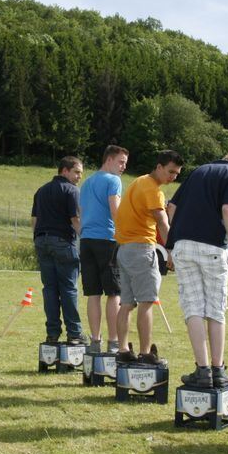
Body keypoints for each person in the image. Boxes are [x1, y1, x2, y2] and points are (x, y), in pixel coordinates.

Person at [167, 151, 228, 389]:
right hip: (213, 247)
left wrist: (171, 245)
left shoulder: (198, 171)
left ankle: (202, 369)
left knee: (193, 308)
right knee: (215, 309)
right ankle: (218, 370)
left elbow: (172, 208)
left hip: (183, 246)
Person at [113, 150, 184, 365]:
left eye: (177, 174)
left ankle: (123, 349)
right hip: (142, 250)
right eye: (170, 171)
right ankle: (145, 353)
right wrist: (172, 251)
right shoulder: (154, 190)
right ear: (159, 167)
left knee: (126, 303)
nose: (173, 177)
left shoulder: (138, 181)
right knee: (146, 303)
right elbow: (163, 223)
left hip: (123, 250)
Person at [31, 156, 87, 344]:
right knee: (69, 288)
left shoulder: (41, 190)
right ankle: (74, 333)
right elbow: (75, 220)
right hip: (63, 241)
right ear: (64, 170)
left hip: (41, 240)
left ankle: (52, 333)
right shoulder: (72, 191)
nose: (79, 176)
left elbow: (34, 221)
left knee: (50, 289)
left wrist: (39, 240)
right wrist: (85, 241)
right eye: (77, 172)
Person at [78, 145, 128, 353]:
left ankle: (95, 341)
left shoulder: (87, 182)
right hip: (107, 240)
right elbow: (115, 210)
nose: (123, 166)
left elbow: (81, 210)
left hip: (86, 240)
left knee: (93, 293)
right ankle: (114, 342)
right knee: (114, 292)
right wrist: (124, 234)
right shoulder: (113, 180)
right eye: (121, 162)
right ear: (109, 159)